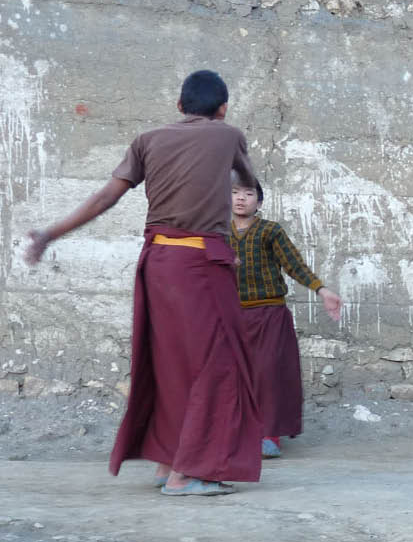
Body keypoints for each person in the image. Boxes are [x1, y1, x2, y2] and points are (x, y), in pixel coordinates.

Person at [24, 70, 262, 497]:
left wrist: (50, 233)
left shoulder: (148, 139)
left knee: (169, 362)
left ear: (178, 105)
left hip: (157, 263)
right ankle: (186, 473)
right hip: (201, 265)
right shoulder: (228, 136)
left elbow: (104, 198)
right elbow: (246, 177)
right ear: (222, 108)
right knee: (217, 362)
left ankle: (168, 458)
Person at [230, 179, 342, 458]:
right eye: (233, 193)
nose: (241, 199)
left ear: (260, 201)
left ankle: (269, 434)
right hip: (230, 315)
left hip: (269, 313)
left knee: (269, 374)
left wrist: (321, 289)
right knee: (233, 375)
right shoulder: (217, 233)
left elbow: (293, 264)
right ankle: (236, 433)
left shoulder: (270, 231)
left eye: (248, 193)